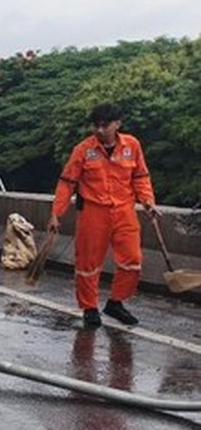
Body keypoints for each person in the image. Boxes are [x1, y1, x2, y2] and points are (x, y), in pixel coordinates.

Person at [47, 103, 158, 328]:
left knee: (132, 260)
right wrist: (56, 213)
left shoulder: (132, 145)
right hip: (93, 212)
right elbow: (67, 183)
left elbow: (140, 176)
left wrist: (148, 201)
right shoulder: (83, 150)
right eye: (95, 126)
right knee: (87, 263)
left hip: (124, 211)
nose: (99, 130)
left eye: (104, 125)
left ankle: (116, 302)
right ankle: (89, 308)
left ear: (117, 124)